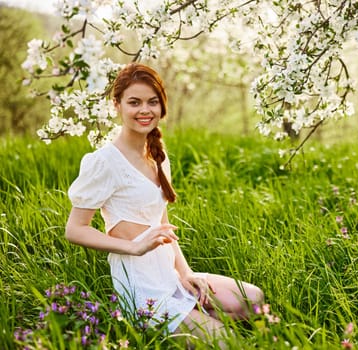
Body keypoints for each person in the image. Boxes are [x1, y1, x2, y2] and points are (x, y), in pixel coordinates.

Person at [65, 62, 264, 346]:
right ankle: (193, 326)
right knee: (228, 342)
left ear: (162, 106)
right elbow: (74, 230)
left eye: (152, 102)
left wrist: (186, 273)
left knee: (253, 299)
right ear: (117, 105)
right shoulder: (103, 162)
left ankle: (195, 319)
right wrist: (133, 247)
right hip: (144, 290)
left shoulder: (157, 156)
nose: (144, 110)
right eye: (134, 102)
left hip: (170, 276)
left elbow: (162, 224)